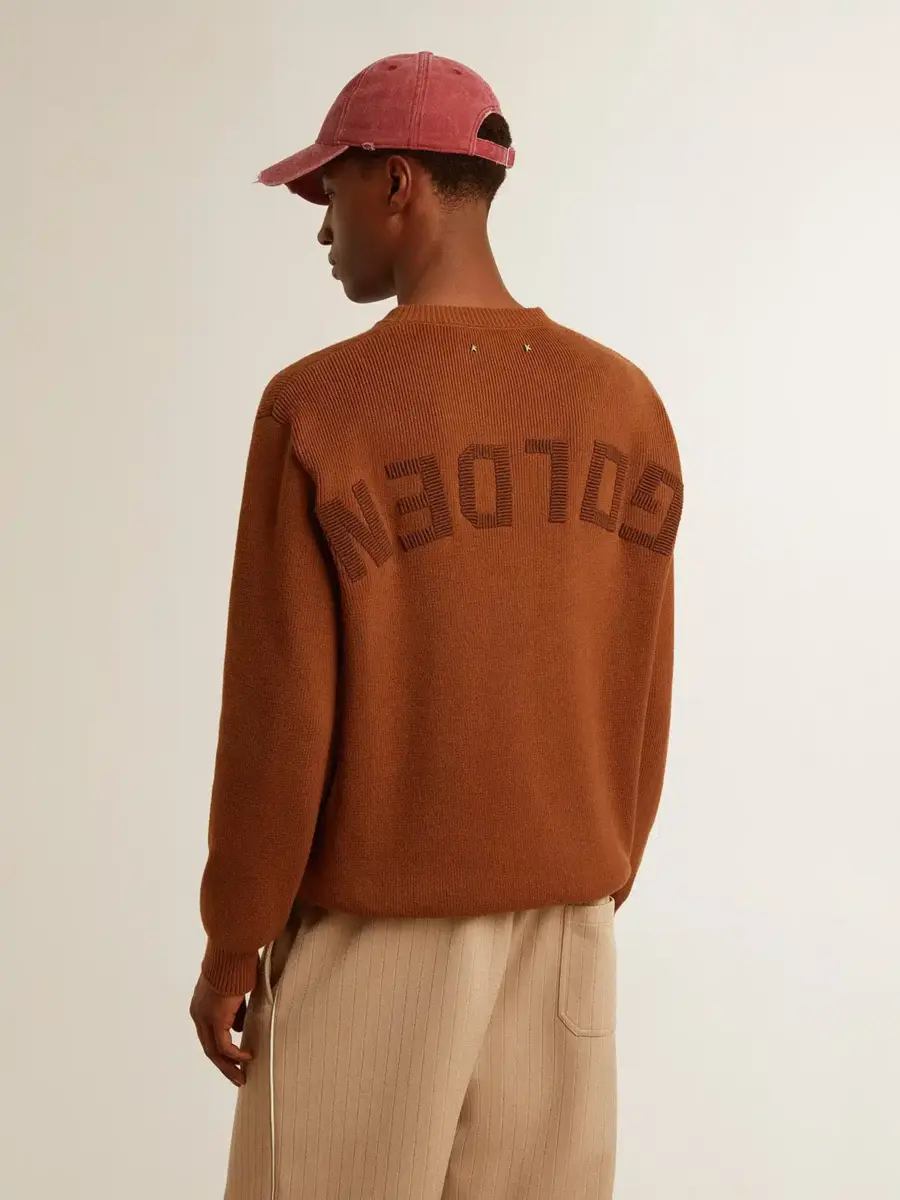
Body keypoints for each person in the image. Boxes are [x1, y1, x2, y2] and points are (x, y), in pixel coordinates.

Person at [189, 50, 683, 1200]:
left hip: (377, 945)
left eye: (332, 191)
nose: (324, 229)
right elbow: (642, 681)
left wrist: (232, 938)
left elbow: (277, 715)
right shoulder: (626, 405)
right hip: (567, 946)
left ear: (398, 182)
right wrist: (590, 878)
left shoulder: (320, 409)